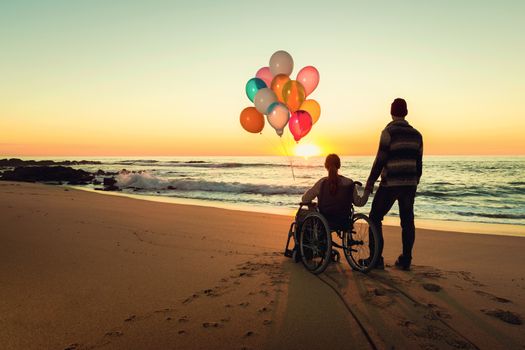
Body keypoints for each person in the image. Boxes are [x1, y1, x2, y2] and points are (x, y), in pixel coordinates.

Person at [364, 98, 423, 270]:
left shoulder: (388, 132)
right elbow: (419, 164)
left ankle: (376, 259)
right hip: (409, 184)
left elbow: (380, 161)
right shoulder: (417, 135)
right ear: (406, 112)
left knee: (375, 217)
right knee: (407, 221)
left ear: (391, 111)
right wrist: (414, 182)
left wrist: (370, 183)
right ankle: (406, 260)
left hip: (391, 184)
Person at [302, 154, 369, 231]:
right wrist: (367, 190)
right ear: (339, 165)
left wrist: (312, 206)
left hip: (325, 220)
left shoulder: (322, 183)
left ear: (325, 166)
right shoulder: (349, 183)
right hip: (344, 219)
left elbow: (305, 199)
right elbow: (359, 203)